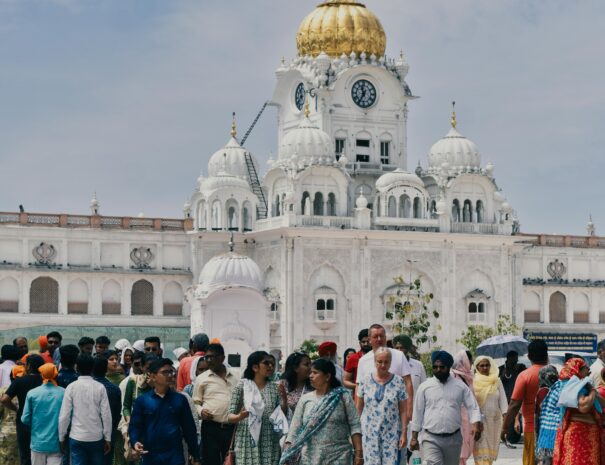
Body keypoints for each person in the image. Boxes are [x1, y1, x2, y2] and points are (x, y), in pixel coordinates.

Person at [281, 358, 362, 465]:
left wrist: (359, 454)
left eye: (315, 373)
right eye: (310, 373)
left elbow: (355, 425)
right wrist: (287, 452)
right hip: (310, 457)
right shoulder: (306, 399)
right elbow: (294, 428)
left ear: (327, 376)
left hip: (339, 456)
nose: (310, 376)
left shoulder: (342, 396)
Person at [410, 350, 482, 465]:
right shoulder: (425, 387)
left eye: (442, 367)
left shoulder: (460, 386)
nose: (438, 369)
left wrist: (476, 424)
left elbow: (473, 407)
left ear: (449, 367)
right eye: (435, 367)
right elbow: (417, 412)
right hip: (430, 438)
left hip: (453, 439)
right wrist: (414, 437)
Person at [129, 358, 201, 465]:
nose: (170, 375)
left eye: (171, 372)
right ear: (153, 376)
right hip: (150, 455)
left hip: (174, 455)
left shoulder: (180, 400)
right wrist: (135, 442)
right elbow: (135, 426)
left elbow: (189, 429)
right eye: (165, 372)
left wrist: (195, 455)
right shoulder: (142, 401)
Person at [227, 351, 288, 465]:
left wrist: (284, 400)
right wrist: (240, 416)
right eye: (266, 363)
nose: (271, 366)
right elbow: (229, 417)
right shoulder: (242, 386)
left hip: (269, 440)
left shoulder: (275, 388)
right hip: (247, 440)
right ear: (255, 367)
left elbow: (281, 416)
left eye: (272, 363)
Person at [356, 347, 407, 465]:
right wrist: (356, 433)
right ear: (374, 362)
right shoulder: (365, 381)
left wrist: (404, 432)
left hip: (391, 434)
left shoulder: (399, 381)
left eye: (386, 362)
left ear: (391, 362)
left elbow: (403, 410)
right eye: (380, 361)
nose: (383, 365)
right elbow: (358, 408)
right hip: (369, 434)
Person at [58, 354, 112, 465]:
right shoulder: (100, 387)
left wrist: (61, 436)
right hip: (96, 437)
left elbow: (64, 415)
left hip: (77, 436)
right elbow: (106, 415)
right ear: (92, 368)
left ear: (76, 367)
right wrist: (108, 438)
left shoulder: (71, 387)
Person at [501, 339, 549, 465]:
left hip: (532, 428)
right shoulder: (555, 374)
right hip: (553, 429)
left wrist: (505, 427)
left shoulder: (525, 376)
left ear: (529, 356)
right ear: (546, 354)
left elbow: (514, 404)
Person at [356, 324, 413, 426]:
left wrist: (409, 408)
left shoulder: (399, 356)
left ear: (386, 338)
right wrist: (357, 417)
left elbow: (408, 382)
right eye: (375, 336)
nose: (379, 339)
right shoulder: (363, 361)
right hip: (371, 419)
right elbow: (359, 387)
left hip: (395, 416)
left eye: (381, 336)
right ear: (369, 340)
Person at [192, 343, 239, 465]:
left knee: (232, 460)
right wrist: (201, 411)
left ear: (222, 358)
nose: (209, 360)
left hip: (233, 428)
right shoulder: (202, 378)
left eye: (212, 357)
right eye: (207, 357)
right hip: (210, 428)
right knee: (210, 461)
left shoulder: (236, 376)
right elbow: (195, 403)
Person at [552, 358, 602, 465]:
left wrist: (591, 389)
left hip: (579, 432)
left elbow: (601, 403)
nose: (589, 368)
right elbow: (584, 407)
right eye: (585, 367)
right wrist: (592, 390)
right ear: (576, 370)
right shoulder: (575, 387)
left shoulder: (575, 386)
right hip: (581, 434)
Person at [1, 354, 44, 465]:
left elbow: (5, 400)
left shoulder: (19, 381)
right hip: (42, 422)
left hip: (23, 421)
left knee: (25, 455)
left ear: (28, 366)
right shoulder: (45, 382)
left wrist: (16, 409)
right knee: (41, 454)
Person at [21, 363, 65, 465]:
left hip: (38, 443)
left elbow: (25, 419)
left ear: (42, 375)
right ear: (55, 375)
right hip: (56, 443)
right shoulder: (63, 392)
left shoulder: (32, 393)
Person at [472, 356, 508, 465]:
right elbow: (470, 404)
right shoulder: (473, 381)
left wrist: (505, 425)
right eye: (481, 365)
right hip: (480, 424)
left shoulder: (496, 381)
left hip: (494, 422)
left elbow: (503, 403)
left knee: (489, 456)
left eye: (487, 365)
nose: (485, 367)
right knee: (481, 456)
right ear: (477, 367)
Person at [92, 357, 122, 465]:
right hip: (109, 435)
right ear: (106, 369)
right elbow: (118, 413)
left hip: (90, 434)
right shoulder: (115, 389)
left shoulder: (87, 388)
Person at [452, 350, 475, 465]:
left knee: (466, 446)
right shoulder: (452, 376)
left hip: (468, 419)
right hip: (456, 418)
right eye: (470, 361)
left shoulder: (469, 376)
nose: (471, 363)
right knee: (458, 449)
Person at [278, 352, 313, 423]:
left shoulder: (313, 385)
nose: (311, 368)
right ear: (295, 368)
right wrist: (284, 402)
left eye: (311, 364)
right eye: (306, 365)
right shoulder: (282, 385)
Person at [498, 350, 526, 442]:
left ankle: (515, 432)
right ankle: (505, 433)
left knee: (517, 418)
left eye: (516, 360)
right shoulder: (501, 369)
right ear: (508, 359)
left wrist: (518, 370)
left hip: (518, 398)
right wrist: (504, 372)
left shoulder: (521, 368)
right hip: (505, 398)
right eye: (513, 359)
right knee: (507, 417)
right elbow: (498, 382)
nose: (515, 362)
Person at [535, 365, 560, 465]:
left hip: (552, 432)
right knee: (548, 459)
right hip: (549, 432)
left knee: (549, 459)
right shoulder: (553, 389)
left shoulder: (557, 390)